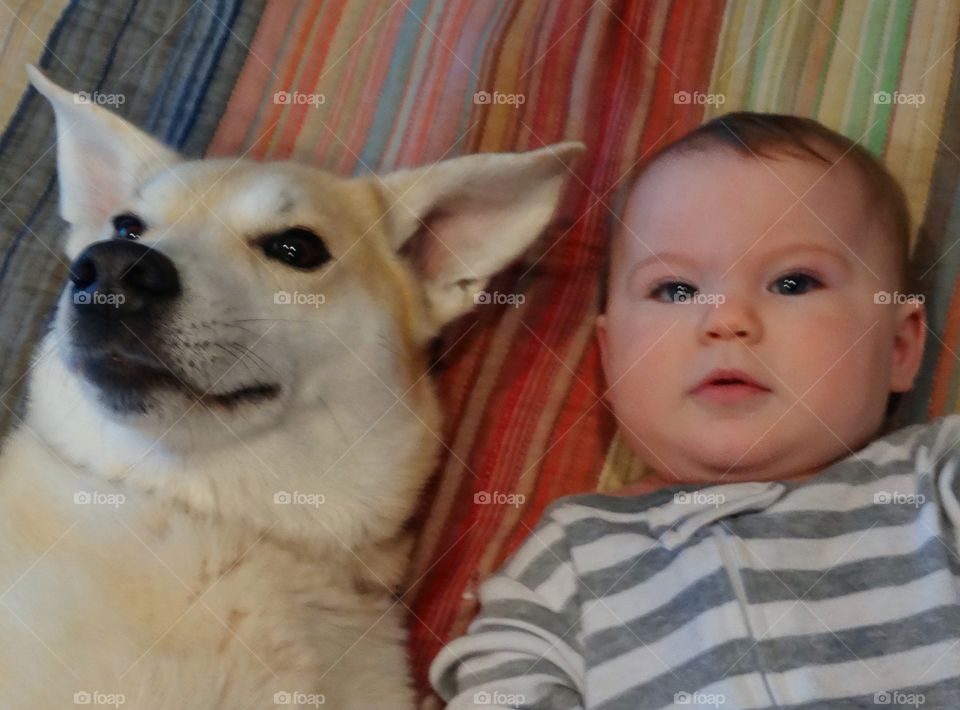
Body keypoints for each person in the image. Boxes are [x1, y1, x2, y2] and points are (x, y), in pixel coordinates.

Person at [429, 112, 960, 709]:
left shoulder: (931, 483)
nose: (725, 320)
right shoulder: (575, 557)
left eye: (793, 283)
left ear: (898, 348)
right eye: (675, 290)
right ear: (610, 355)